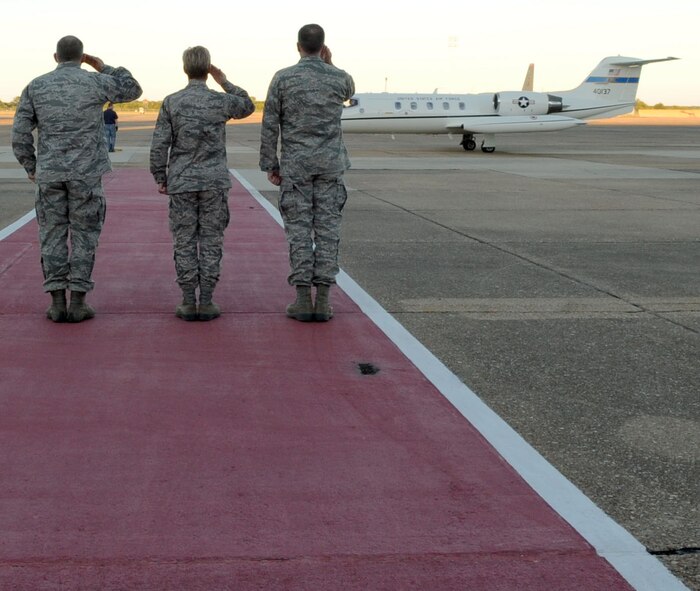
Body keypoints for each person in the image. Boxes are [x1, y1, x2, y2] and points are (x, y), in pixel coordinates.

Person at [12, 35, 142, 323]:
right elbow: (133, 88)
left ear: (55, 57)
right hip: (86, 174)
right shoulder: (94, 82)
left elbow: (19, 133)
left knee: (52, 234)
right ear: (82, 57)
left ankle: (57, 303)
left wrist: (31, 166)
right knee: (84, 235)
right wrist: (102, 66)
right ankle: (79, 302)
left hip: (50, 173)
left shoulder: (36, 85)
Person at [150, 46, 255, 321]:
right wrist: (224, 81)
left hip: (182, 181)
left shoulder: (172, 101)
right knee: (211, 240)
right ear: (207, 69)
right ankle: (206, 300)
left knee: (184, 240)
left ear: (185, 69)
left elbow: (160, 143)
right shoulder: (220, 101)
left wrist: (160, 176)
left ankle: (187, 300)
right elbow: (247, 105)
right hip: (213, 182)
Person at [260, 24, 355, 322]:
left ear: (298, 45)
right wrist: (330, 64)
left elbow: (269, 124)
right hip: (329, 166)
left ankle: (302, 299)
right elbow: (349, 90)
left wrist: (270, 164)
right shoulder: (340, 78)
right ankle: (323, 301)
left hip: (297, 166)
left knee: (299, 231)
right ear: (323, 46)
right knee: (327, 231)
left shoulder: (283, 78)